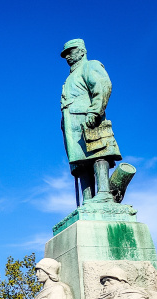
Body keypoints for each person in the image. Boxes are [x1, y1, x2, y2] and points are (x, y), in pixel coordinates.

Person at [60, 39, 122, 204]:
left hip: (88, 118)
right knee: (80, 162)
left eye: (70, 52)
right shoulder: (70, 77)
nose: (67, 56)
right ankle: (88, 198)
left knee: (98, 152)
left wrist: (95, 111)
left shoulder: (90, 65)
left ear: (82, 51)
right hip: (72, 124)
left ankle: (104, 192)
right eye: (66, 54)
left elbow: (102, 86)